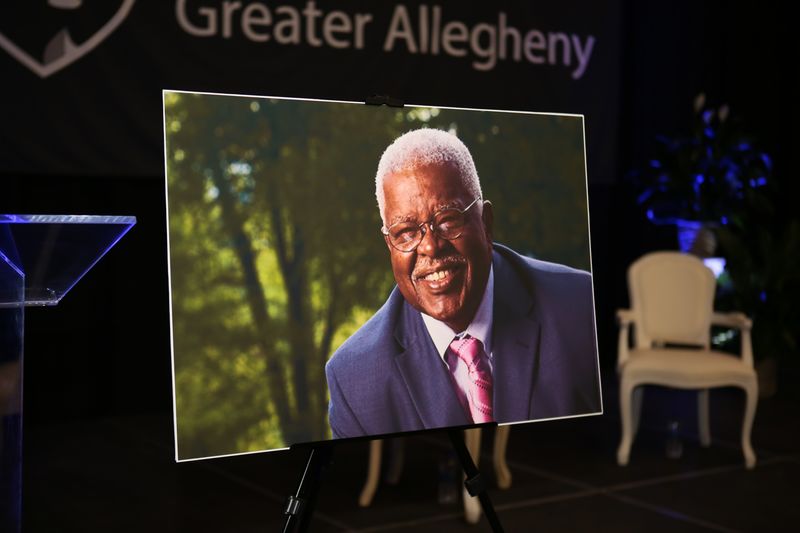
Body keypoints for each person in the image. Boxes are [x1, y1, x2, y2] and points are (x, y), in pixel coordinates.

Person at [325, 128, 600, 439]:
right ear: (390, 245)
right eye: (406, 233)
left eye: (448, 220)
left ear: (486, 223)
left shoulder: (580, 309)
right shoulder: (355, 378)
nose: (430, 246)